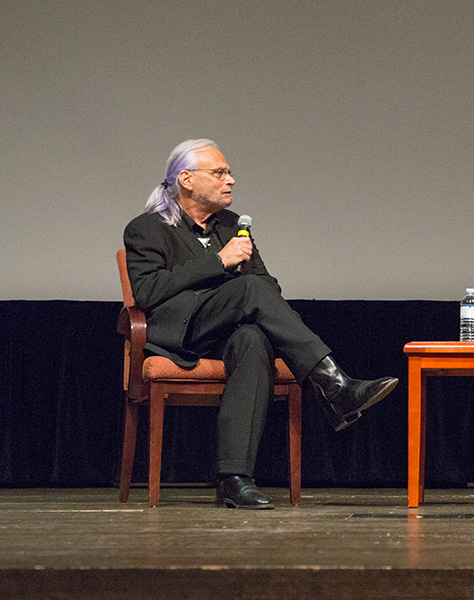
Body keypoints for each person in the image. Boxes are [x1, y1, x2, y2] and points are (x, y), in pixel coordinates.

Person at [124, 139, 399, 510]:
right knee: (249, 288)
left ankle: (234, 479)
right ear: (186, 179)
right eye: (219, 173)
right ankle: (334, 386)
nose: (231, 180)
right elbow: (147, 291)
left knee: (253, 340)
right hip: (181, 332)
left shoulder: (232, 225)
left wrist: (244, 283)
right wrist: (219, 262)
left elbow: (267, 284)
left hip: (228, 330)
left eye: (230, 172)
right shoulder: (147, 229)